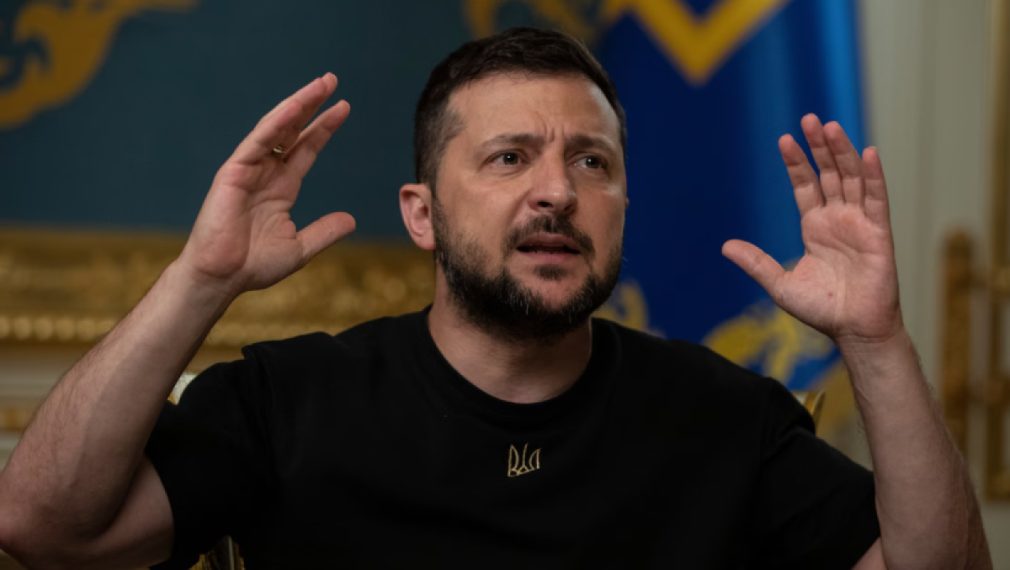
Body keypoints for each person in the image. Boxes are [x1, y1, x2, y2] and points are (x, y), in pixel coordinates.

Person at [0, 28, 990, 569]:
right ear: (422, 214)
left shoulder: (727, 417)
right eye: (509, 157)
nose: (556, 191)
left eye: (591, 162)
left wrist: (875, 339)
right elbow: (42, 527)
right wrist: (200, 280)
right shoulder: (285, 400)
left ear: (623, 205)